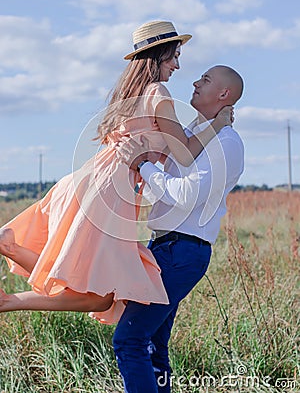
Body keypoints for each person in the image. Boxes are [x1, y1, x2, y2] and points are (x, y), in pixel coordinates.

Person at [0, 21, 231, 324]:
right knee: (101, 291)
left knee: (89, 280)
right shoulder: (157, 91)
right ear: (159, 55)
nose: (177, 65)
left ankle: (8, 257)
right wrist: (219, 123)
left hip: (92, 180)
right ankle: (8, 288)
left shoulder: (131, 94)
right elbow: (185, 152)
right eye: (174, 55)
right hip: (108, 190)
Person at [113, 64, 244, 392]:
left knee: (130, 339)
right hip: (165, 247)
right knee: (153, 345)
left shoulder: (227, 142)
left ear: (224, 94)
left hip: (183, 251)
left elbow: (187, 195)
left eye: (206, 79)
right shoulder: (197, 136)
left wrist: (141, 165)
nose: (196, 82)